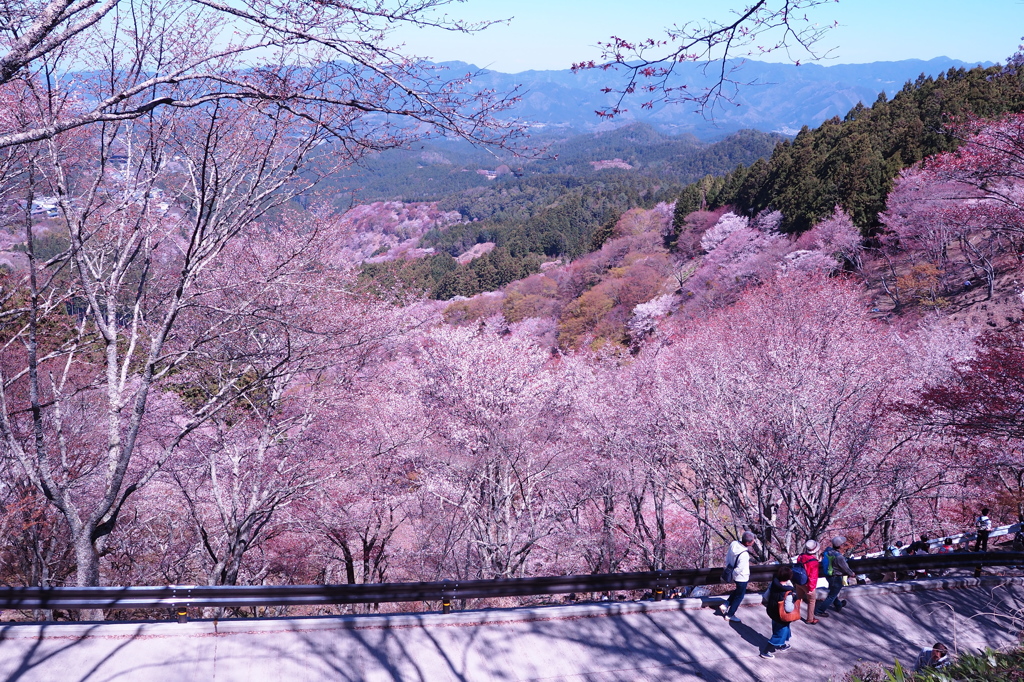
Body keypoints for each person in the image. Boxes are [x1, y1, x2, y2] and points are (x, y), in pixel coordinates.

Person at [717, 531, 756, 622]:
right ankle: (730, 615)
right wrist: (734, 575)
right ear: (747, 543)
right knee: (740, 596)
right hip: (741, 577)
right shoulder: (744, 554)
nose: (753, 542)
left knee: (737, 592)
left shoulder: (733, 544)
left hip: (732, 571)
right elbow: (739, 569)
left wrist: (730, 572)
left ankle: (725, 604)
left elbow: (727, 557)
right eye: (752, 541)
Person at [760, 565, 796, 659]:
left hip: (772, 611)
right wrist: (794, 604)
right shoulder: (788, 592)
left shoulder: (773, 584)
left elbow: (766, 596)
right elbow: (788, 609)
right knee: (780, 633)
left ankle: (781, 645)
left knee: (778, 628)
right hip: (782, 615)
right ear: (789, 578)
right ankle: (765, 651)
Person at [815, 536, 856, 618]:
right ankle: (819, 611)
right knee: (832, 596)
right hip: (836, 577)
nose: (844, 545)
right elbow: (845, 568)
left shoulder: (828, 551)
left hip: (828, 575)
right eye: (843, 544)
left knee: (833, 592)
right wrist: (851, 574)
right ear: (840, 546)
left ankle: (838, 605)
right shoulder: (839, 557)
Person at [795, 540, 820, 625]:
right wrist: (811, 588)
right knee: (812, 601)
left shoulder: (801, 556)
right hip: (807, 584)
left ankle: (795, 614)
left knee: (799, 598)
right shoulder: (814, 561)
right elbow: (813, 577)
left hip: (799, 581)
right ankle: (810, 619)